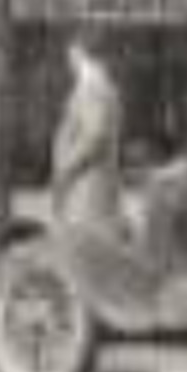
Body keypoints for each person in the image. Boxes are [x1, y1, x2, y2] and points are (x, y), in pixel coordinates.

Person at [50, 30, 127, 238]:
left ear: (80, 53)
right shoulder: (101, 87)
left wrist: (66, 167)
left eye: (71, 55)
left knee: (84, 253)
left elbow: (95, 136)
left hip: (86, 192)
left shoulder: (92, 87)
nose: (69, 62)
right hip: (88, 189)